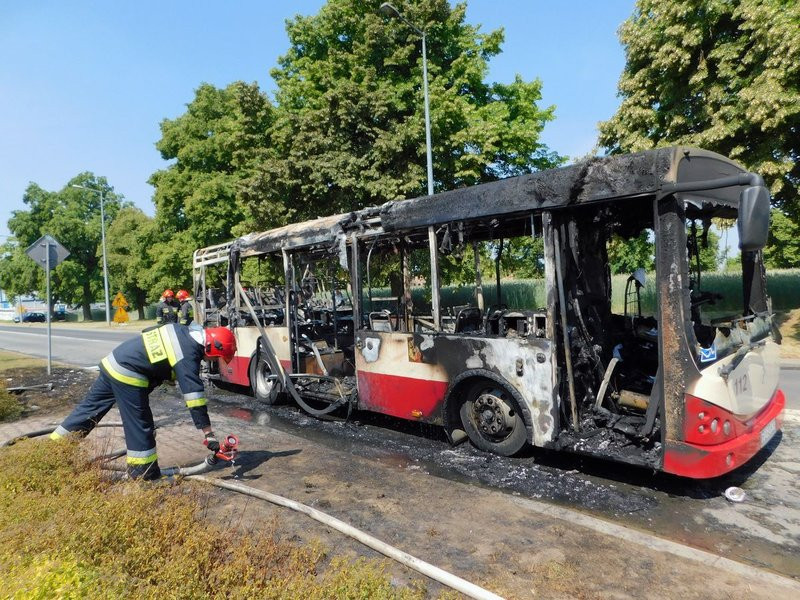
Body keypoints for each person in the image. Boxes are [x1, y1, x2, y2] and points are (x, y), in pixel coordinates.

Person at [49, 323, 236, 480]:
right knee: (140, 423)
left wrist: (164, 372)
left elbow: (151, 337)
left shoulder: (181, 331)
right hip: (128, 373)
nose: (210, 361)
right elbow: (194, 397)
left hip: (114, 362)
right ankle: (143, 474)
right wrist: (208, 434)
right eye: (216, 357)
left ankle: (51, 452)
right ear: (212, 346)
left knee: (88, 411)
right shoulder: (188, 353)